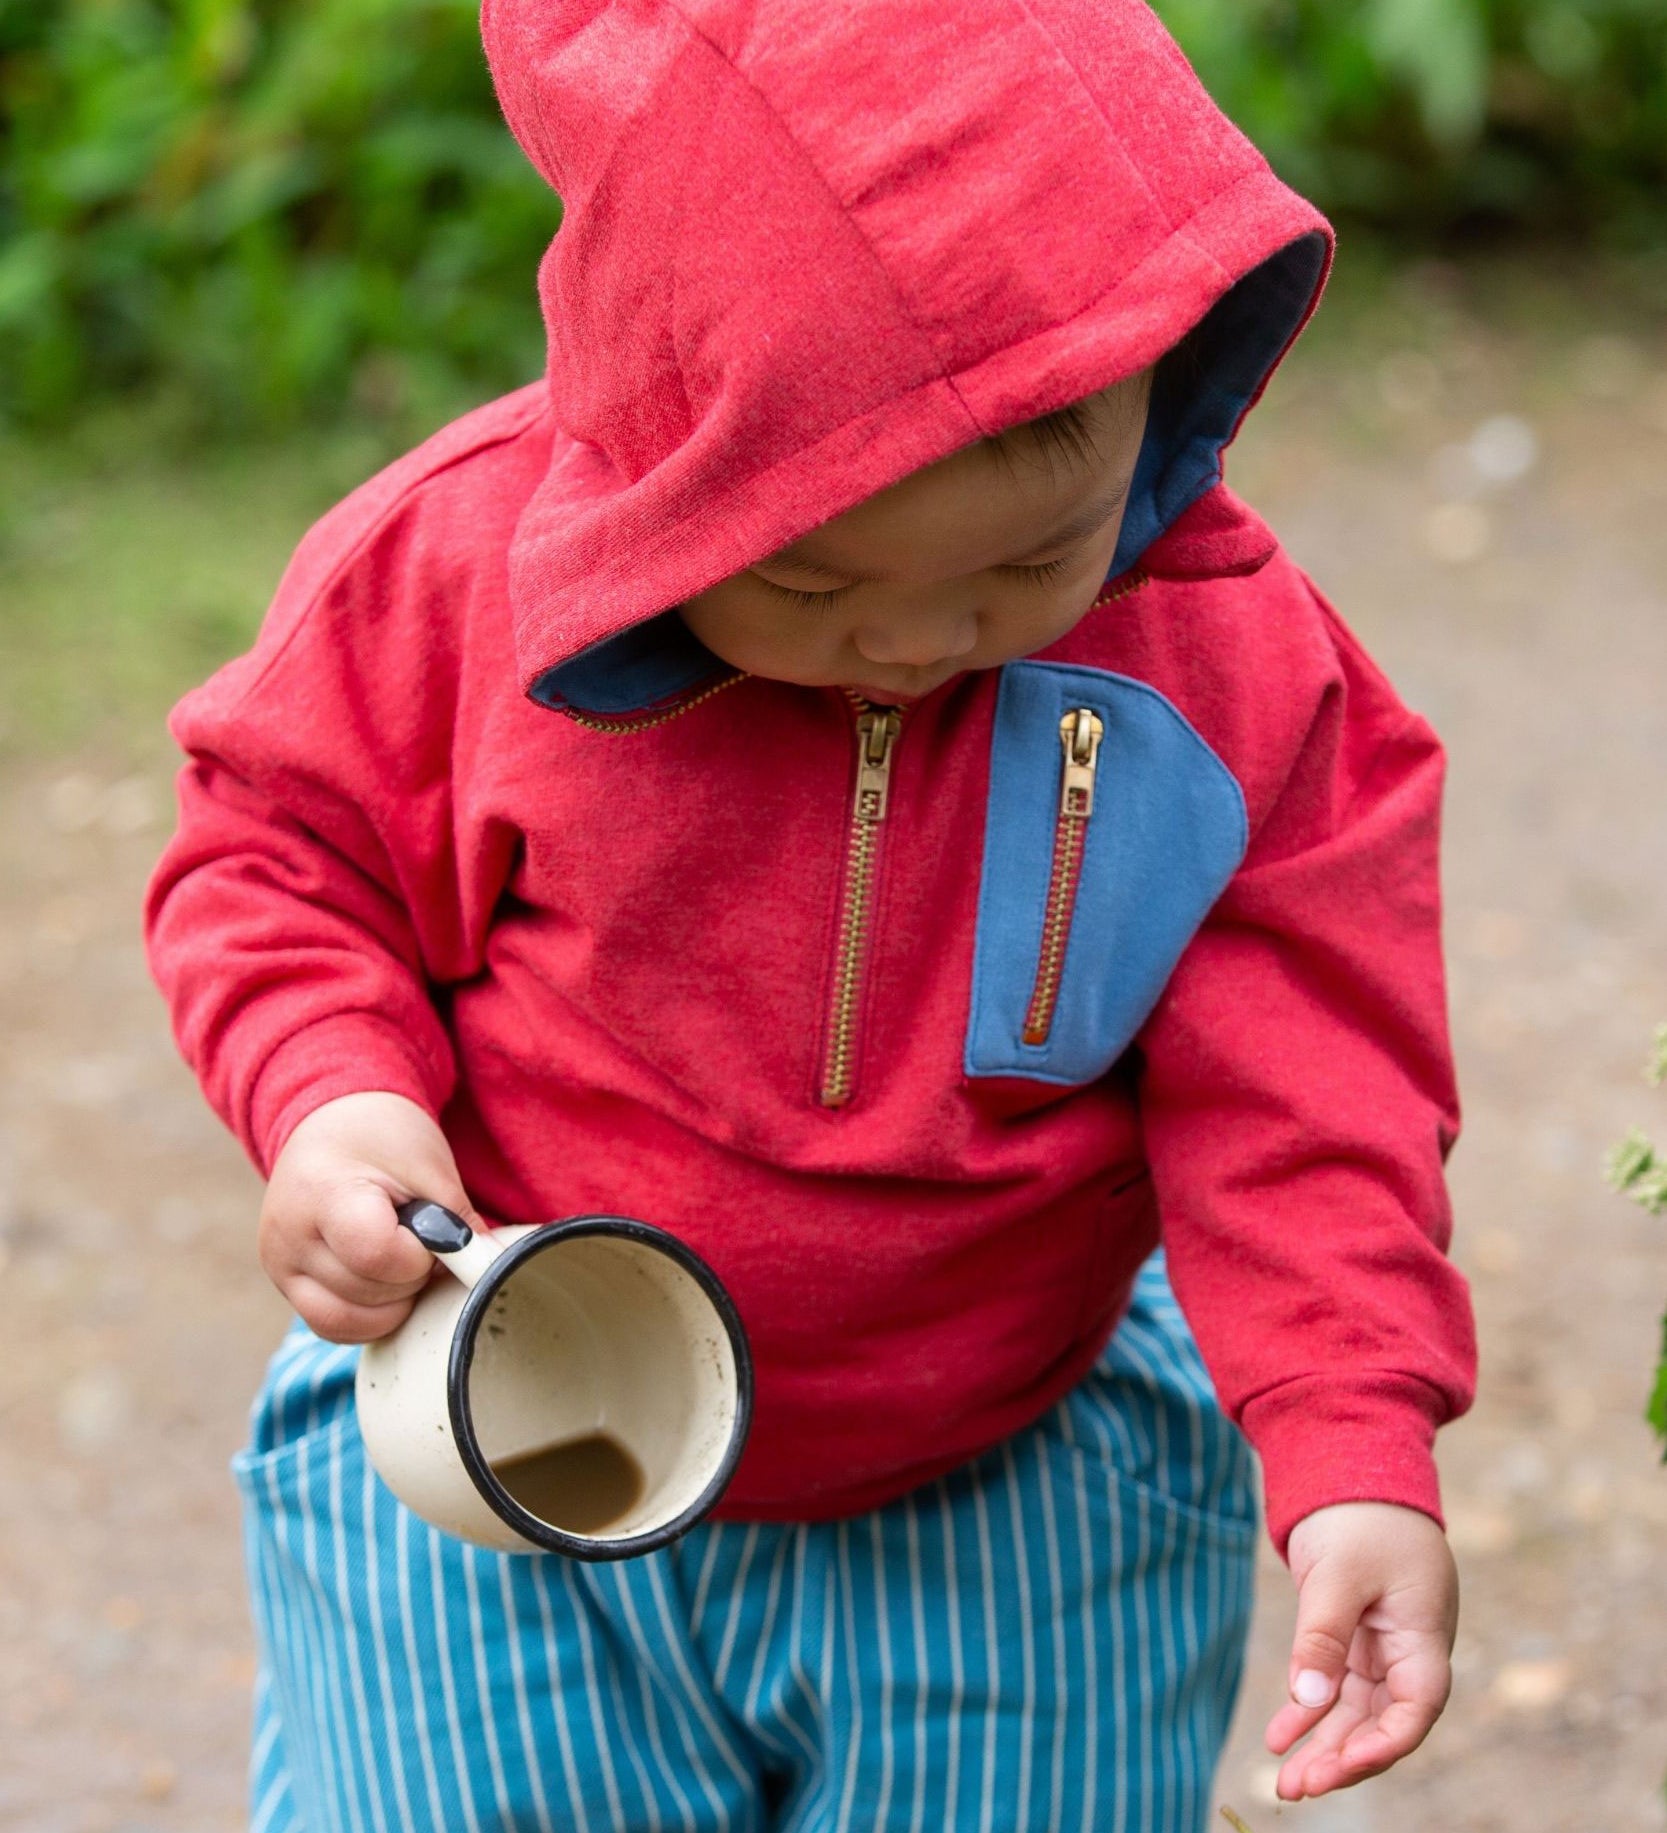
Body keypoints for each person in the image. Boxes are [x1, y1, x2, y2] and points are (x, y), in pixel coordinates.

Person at [144, 0, 1478, 1827]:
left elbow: (1314, 1083)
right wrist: (331, 1093)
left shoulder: (1232, 676)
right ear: (654, 446)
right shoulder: (449, 587)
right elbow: (278, 851)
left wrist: (1351, 1440)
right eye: (810, 574)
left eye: (1030, 560)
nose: (922, 638)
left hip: (1014, 1479)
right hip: (487, 1451)